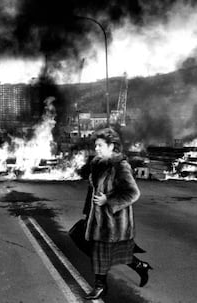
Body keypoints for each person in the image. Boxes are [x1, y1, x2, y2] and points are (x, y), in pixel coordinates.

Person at [83, 127, 153, 300]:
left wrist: (108, 200)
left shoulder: (121, 166)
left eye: (100, 145)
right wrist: (88, 213)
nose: (96, 149)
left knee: (108, 254)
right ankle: (140, 267)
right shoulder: (97, 164)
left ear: (112, 146)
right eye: (96, 146)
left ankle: (100, 286)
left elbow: (133, 193)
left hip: (113, 222)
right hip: (98, 219)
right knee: (108, 253)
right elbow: (93, 191)